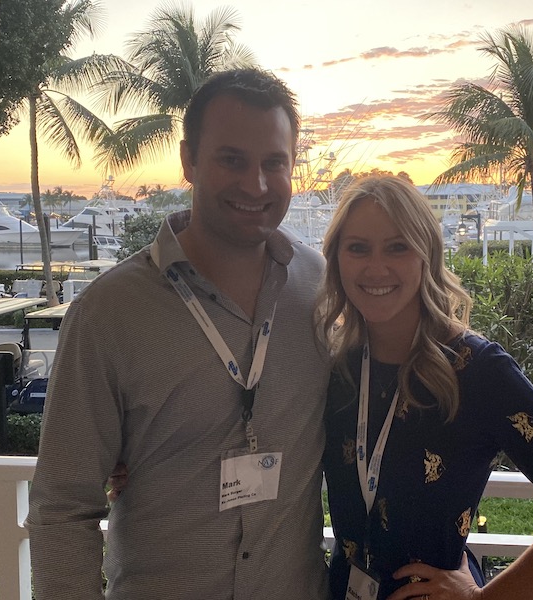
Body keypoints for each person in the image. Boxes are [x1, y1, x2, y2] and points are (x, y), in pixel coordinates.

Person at [27, 68, 332, 599]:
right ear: (189, 160)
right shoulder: (109, 313)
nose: (255, 184)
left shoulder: (322, 289)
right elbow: (63, 505)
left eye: (273, 163)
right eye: (231, 159)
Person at [316, 175, 533, 600]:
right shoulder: (337, 365)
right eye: (357, 248)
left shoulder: (476, 369)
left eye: (398, 246)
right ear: (335, 257)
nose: (376, 267)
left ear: (427, 254)